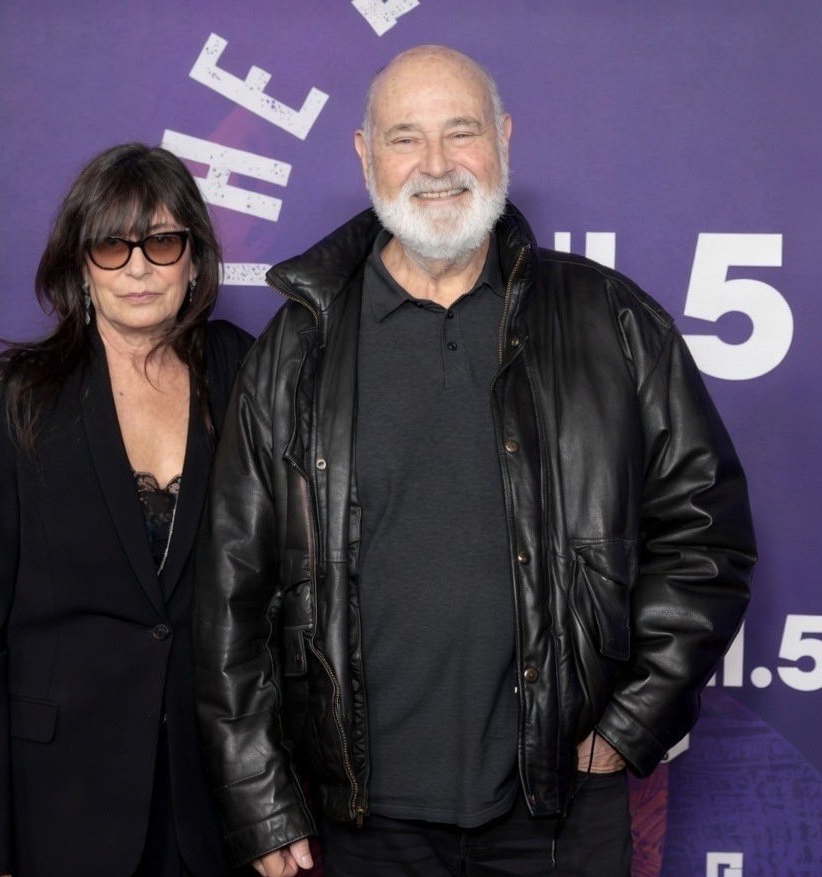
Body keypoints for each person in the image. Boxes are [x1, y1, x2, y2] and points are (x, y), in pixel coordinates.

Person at [193, 46, 756, 877]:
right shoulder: (297, 349)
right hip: (359, 824)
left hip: (560, 811)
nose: (436, 164)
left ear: (504, 139)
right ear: (365, 154)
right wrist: (259, 799)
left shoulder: (611, 320)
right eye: (405, 138)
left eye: (461, 132)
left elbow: (706, 533)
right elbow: (232, 591)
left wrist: (633, 720)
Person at [0, 143, 252, 877]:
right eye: (113, 244)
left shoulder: (242, 372)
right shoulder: (18, 396)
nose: (138, 267)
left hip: (212, 803)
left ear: (194, 261)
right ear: (82, 265)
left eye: (162, 242)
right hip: (59, 801)